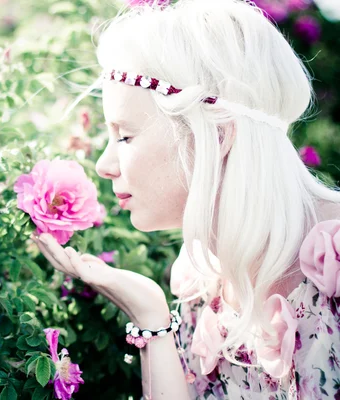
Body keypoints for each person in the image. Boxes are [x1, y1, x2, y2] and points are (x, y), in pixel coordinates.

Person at [31, 0, 340, 398]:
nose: (104, 165)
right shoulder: (204, 280)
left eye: (124, 135)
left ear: (215, 137)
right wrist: (150, 318)